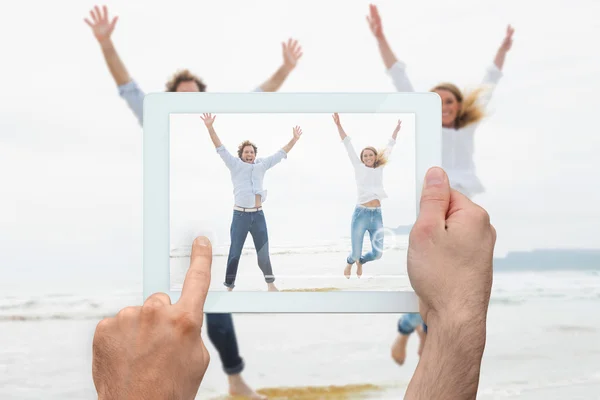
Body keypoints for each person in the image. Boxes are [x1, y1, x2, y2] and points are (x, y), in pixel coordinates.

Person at [92, 166, 497, 399]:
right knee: (214, 301)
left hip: (257, 217)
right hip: (234, 220)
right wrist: (457, 317)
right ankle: (235, 373)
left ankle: (236, 368)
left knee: (229, 289)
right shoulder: (226, 169)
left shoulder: (259, 167)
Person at [84, 5, 302, 398]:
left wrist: (285, 68)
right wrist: (105, 42)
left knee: (212, 302)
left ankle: (234, 380)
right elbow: (128, 87)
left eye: (194, 98)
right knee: (167, 306)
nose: (186, 103)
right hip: (170, 223)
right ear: (168, 101)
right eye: (178, 98)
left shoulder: (217, 127)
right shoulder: (158, 121)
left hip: (211, 222)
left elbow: (259, 95)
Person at [366, 3, 513, 365]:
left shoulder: (466, 128)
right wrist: (381, 37)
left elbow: (490, 82)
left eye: (450, 101)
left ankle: (419, 334)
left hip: (462, 207)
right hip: (434, 206)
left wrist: (503, 51)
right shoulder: (425, 127)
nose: (444, 105)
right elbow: (399, 79)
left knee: (448, 284)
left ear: (459, 107)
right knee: (433, 280)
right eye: (438, 101)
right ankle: (413, 333)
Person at [200, 113, 302, 291]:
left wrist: (294, 139)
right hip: (240, 216)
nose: (249, 154)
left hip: (258, 216)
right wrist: (210, 128)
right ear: (241, 154)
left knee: (263, 254)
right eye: (246, 152)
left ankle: (271, 285)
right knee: (234, 253)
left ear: (255, 154)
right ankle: (229, 287)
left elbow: (281, 153)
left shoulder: (262, 165)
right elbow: (220, 147)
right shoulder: (234, 164)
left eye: (252, 152)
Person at [332, 113, 401, 278]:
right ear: (362, 158)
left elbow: (390, 146)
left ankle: (361, 262)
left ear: (376, 157)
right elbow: (347, 144)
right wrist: (339, 125)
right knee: (354, 254)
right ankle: (351, 262)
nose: (368, 157)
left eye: (371, 155)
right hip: (361, 214)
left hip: (377, 215)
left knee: (378, 254)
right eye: (365, 155)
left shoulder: (379, 168)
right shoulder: (358, 166)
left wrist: (396, 131)